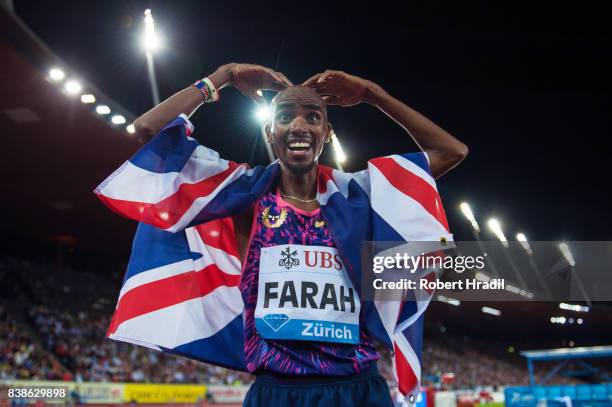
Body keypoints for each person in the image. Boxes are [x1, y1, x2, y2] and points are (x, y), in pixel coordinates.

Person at [100, 63, 467, 406]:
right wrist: (222, 76)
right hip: (277, 392)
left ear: (326, 133)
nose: (299, 126)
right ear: (269, 131)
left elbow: (451, 150)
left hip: (358, 388)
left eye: (313, 117)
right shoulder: (243, 196)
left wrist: (373, 93)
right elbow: (148, 132)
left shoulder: (363, 196)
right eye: (285, 116)